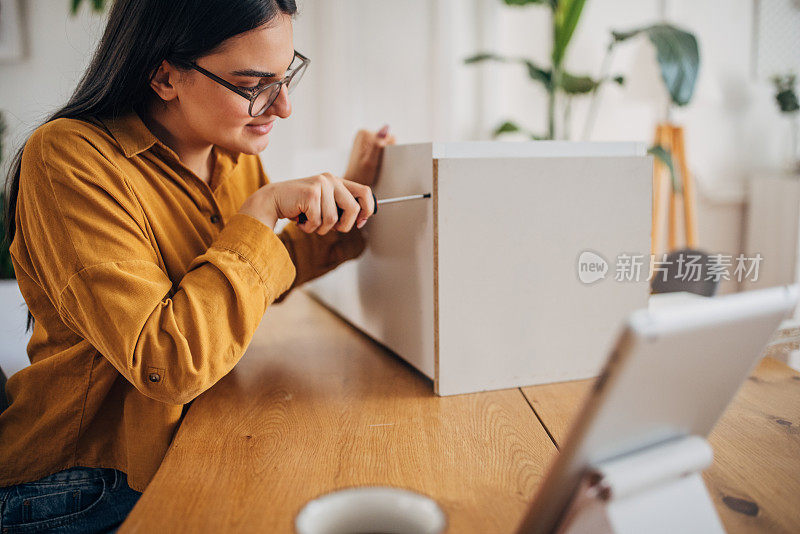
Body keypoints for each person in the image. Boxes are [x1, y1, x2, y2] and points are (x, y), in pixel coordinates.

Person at [0, 0, 395, 531]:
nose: (281, 108)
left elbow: (247, 288)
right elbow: (166, 362)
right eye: (254, 83)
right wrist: (261, 211)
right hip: (79, 484)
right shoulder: (69, 160)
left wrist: (345, 214)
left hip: (173, 446)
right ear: (164, 77)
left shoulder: (232, 154)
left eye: (286, 76)